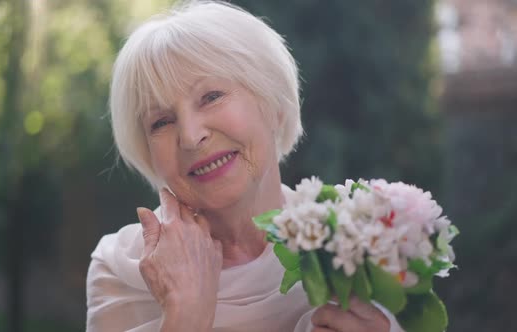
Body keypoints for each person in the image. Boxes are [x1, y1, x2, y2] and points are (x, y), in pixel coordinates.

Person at [86, 1, 404, 331]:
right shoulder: (121, 267)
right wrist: (186, 313)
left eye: (211, 97)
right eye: (162, 121)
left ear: (275, 105)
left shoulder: (360, 241)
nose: (191, 137)